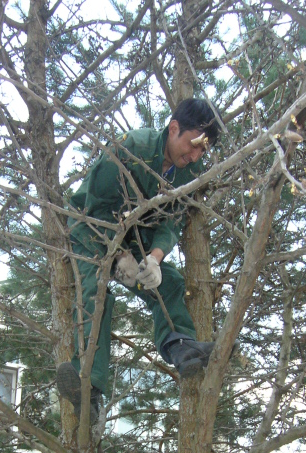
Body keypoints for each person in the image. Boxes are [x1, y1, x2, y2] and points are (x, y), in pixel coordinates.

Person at [57, 97, 222, 423]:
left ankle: (180, 346)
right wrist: (119, 258)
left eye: (203, 151)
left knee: (171, 283)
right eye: (192, 146)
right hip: (91, 229)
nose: (195, 156)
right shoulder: (132, 147)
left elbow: (172, 219)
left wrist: (154, 259)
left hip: (135, 238)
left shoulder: (189, 171)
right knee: (95, 293)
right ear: (173, 128)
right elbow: (97, 207)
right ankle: (87, 390)